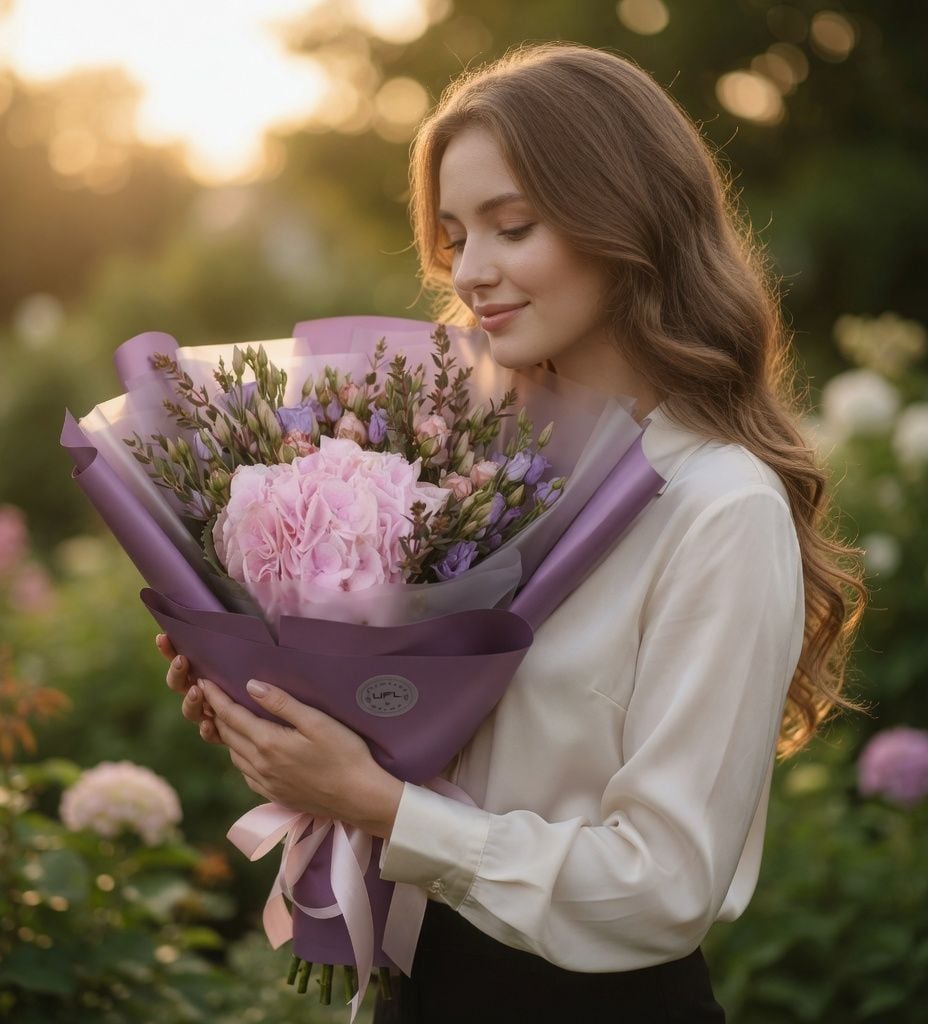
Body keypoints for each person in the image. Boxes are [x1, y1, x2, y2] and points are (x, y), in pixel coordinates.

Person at [157, 41, 867, 1023]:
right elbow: (421, 736)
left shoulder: (719, 506)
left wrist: (384, 808)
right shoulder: (462, 475)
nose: (471, 270)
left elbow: (662, 885)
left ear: (628, 225)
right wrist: (282, 711)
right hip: (416, 985)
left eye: (513, 226)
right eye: (453, 235)